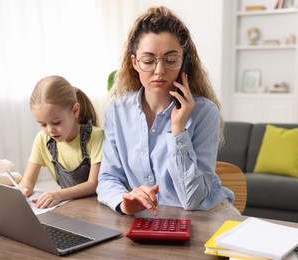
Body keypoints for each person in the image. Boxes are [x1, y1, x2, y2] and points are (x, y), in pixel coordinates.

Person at [96, 6, 239, 216]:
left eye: (171, 60)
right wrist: (124, 202)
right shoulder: (117, 110)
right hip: (149, 219)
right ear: (134, 62)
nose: (159, 71)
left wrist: (178, 129)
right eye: (148, 61)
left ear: (183, 62)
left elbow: (193, 200)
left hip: (206, 216)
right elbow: (108, 178)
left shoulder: (205, 112)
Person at [19, 75, 103, 208]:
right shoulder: (42, 139)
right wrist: (21, 193)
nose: (50, 130)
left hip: (96, 206)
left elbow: (93, 184)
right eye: (42, 124)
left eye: (56, 122)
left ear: (75, 110)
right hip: (68, 207)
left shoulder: (96, 136)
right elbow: (28, 181)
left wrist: (58, 194)